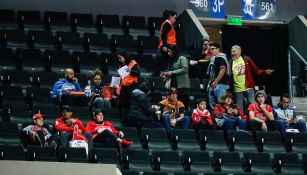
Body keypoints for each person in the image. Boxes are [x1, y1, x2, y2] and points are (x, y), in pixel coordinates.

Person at [229, 45, 274, 110]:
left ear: (239, 51)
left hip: (248, 87)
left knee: (252, 104)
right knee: (239, 107)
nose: (232, 53)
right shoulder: (230, 62)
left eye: (234, 51)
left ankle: (254, 118)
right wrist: (230, 88)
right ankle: (242, 120)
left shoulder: (246, 59)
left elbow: (256, 70)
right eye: (231, 52)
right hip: (237, 89)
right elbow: (230, 77)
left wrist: (265, 72)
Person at [153, 10, 177, 76]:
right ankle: (153, 76)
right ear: (170, 17)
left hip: (167, 46)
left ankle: (155, 76)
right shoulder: (167, 24)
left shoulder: (168, 24)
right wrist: (165, 46)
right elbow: (164, 35)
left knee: (164, 65)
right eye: (174, 18)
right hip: (166, 46)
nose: (175, 20)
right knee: (164, 66)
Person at [207, 43, 230, 109]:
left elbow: (223, 69)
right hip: (213, 84)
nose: (211, 51)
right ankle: (216, 118)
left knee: (222, 105)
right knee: (213, 106)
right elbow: (212, 73)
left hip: (220, 85)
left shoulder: (220, 57)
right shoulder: (214, 58)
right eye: (210, 49)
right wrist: (210, 83)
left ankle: (223, 118)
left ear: (218, 49)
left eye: (212, 49)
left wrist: (216, 81)